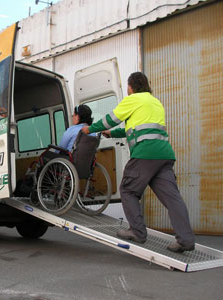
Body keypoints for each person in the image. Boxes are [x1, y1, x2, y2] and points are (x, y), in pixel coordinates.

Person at [82, 72, 195, 253]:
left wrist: (90, 128)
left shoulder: (133, 99)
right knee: (173, 199)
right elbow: (137, 128)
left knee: (128, 190)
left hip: (145, 154)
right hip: (164, 155)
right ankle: (185, 240)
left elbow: (110, 119)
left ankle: (137, 231)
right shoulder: (155, 102)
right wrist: (112, 133)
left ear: (131, 86)